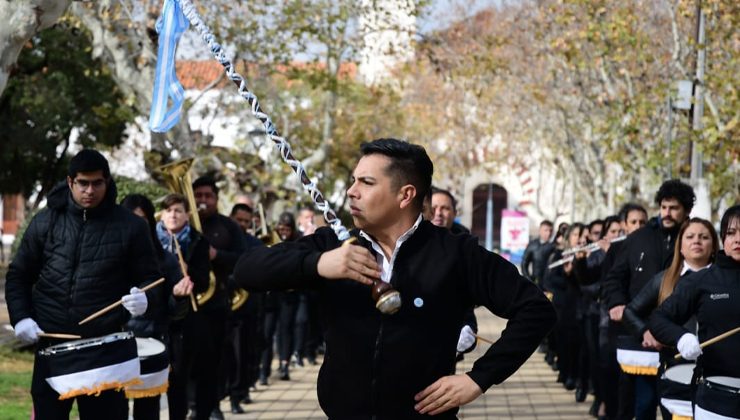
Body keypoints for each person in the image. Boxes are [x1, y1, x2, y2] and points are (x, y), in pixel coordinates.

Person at [233, 138, 556, 418]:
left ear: (405, 195)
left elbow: (536, 309)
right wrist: (318, 264)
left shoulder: (456, 253)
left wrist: (479, 378)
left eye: (366, 183)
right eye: (353, 180)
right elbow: (247, 269)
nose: (351, 191)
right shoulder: (334, 244)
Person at [5, 149, 161, 419]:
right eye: (83, 183)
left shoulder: (132, 227)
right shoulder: (45, 221)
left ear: (107, 182)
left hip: (103, 349)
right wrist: (21, 318)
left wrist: (145, 299)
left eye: (97, 183)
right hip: (52, 344)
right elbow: (18, 275)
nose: (90, 190)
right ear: (70, 182)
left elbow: (152, 279)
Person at [603, 180, 695, 420]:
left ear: (686, 211)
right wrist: (616, 303)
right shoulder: (637, 239)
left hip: (680, 340)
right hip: (641, 336)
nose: (667, 213)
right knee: (643, 405)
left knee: (676, 409)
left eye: (673, 208)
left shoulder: (693, 239)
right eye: (663, 207)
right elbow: (615, 278)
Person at [649, 205, 740, 419]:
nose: (737, 239)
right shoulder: (702, 281)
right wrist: (681, 338)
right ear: (723, 240)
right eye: (731, 233)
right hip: (717, 401)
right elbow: (658, 318)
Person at [623, 218, 718, 419]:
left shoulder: (726, 282)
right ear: (680, 247)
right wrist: (646, 332)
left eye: (704, 237)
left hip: (717, 370)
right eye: (690, 237)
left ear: (714, 246)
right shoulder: (664, 279)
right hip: (675, 368)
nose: (697, 241)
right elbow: (630, 311)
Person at [121, 194, 193, 420]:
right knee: (114, 407)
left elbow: (175, 312)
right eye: (129, 219)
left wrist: (178, 297)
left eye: (141, 221)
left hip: (153, 342)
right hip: (117, 343)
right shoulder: (108, 258)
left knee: (148, 408)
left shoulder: (166, 260)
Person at [192, 176, 247, 420]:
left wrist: (217, 255)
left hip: (216, 304)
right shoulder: (184, 223)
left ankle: (213, 405)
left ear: (216, 199)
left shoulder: (228, 227)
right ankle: (193, 406)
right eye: (198, 195)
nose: (203, 200)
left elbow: (242, 260)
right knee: (188, 360)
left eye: (208, 196)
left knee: (214, 358)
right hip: (186, 305)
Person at [154, 193, 211, 420]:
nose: (173, 215)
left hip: (184, 320)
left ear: (187, 214)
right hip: (157, 317)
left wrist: (187, 270)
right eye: (168, 210)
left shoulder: (198, 241)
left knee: (178, 376)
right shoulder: (151, 239)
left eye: (178, 210)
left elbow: (205, 280)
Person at [521, 220, 555, 287]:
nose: (548, 233)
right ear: (540, 231)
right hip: (536, 283)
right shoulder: (533, 245)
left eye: (550, 231)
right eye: (546, 230)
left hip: (551, 284)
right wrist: (529, 279)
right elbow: (524, 264)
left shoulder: (555, 246)